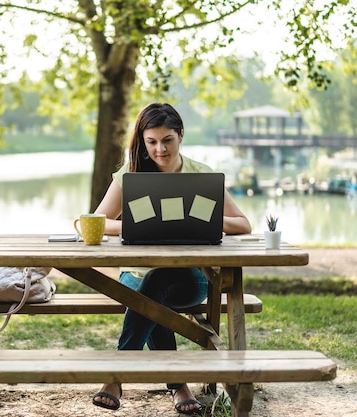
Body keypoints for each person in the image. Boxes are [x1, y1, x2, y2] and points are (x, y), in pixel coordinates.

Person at [91, 102, 252, 414]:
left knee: (159, 282)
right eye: (151, 142)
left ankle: (116, 374)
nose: (159, 149)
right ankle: (179, 387)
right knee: (152, 287)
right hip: (135, 277)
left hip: (189, 279)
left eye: (167, 140)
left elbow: (243, 224)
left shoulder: (201, 175)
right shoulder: (132, 175)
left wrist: (206, 218)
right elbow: (97, 220)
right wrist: (134, 226)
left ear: (181, 135)